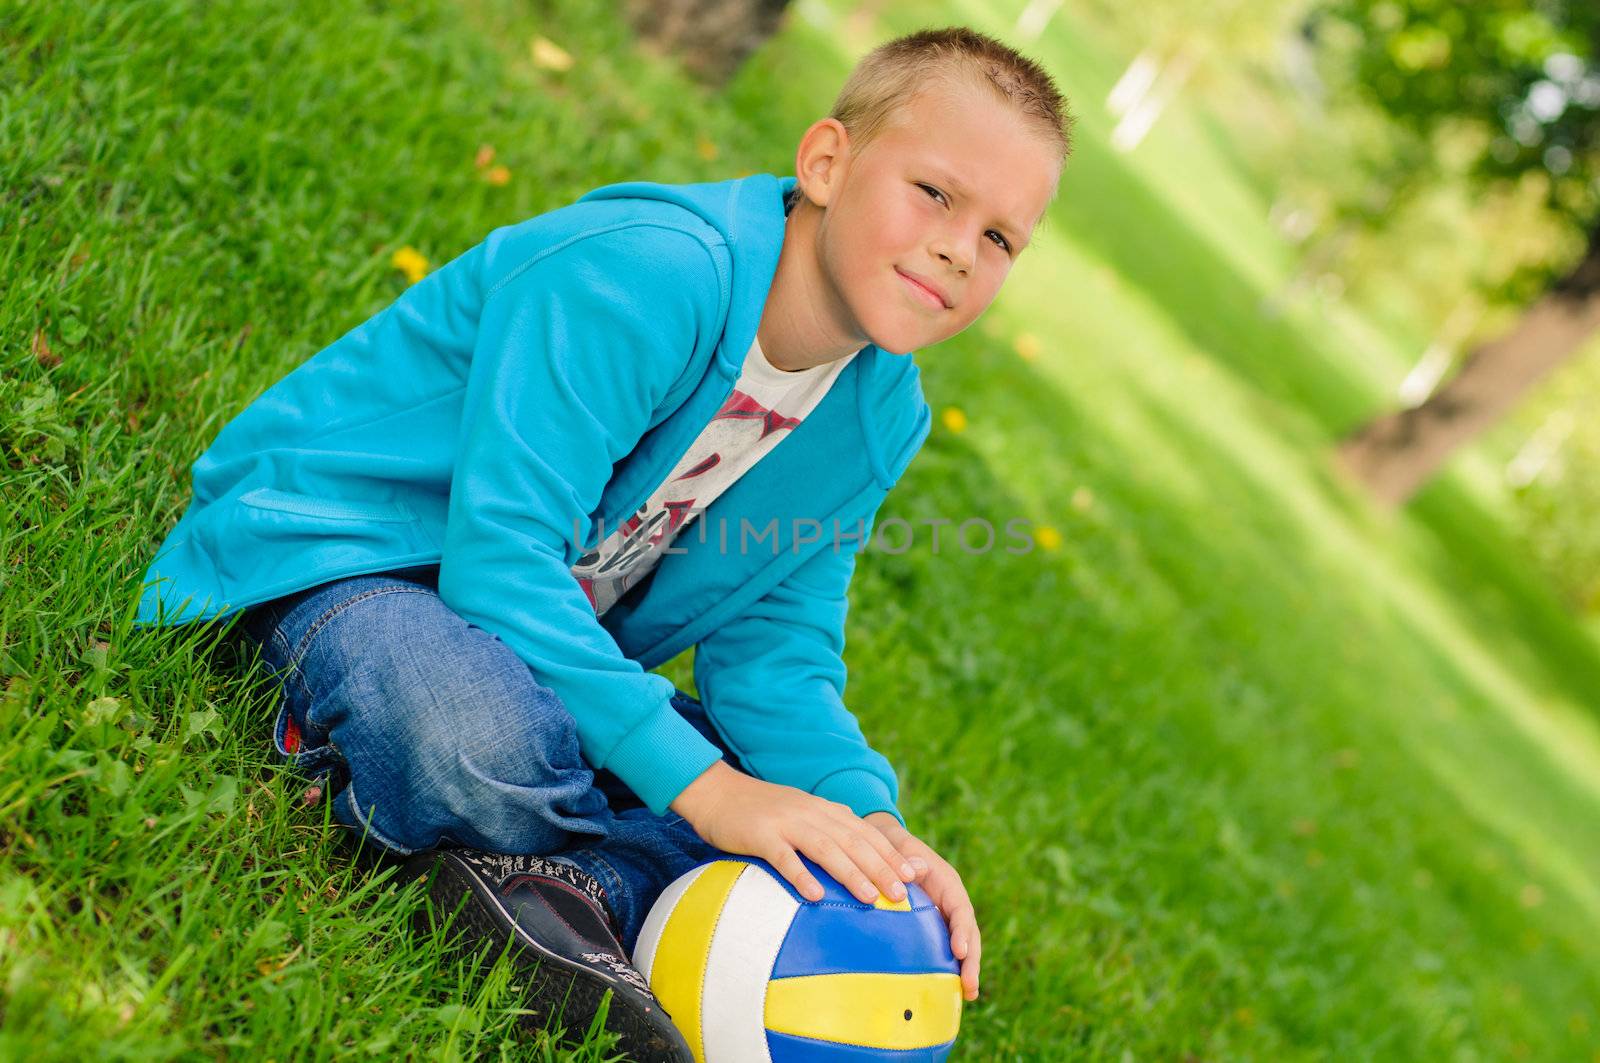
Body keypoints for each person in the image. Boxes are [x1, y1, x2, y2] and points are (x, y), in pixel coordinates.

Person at [133, 24, 1069, 1061]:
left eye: (998, 239)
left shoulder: (878, 415)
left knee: (793, 828)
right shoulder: (654, 274)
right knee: (472, 733)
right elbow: (498, 560)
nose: (956, 247)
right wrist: (712, 796)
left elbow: (776, 652)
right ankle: (598, 873)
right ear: (826, 163)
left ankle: (551, 893)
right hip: (365, 561)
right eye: (935, 193)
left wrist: (867, 826)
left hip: (536, 641)